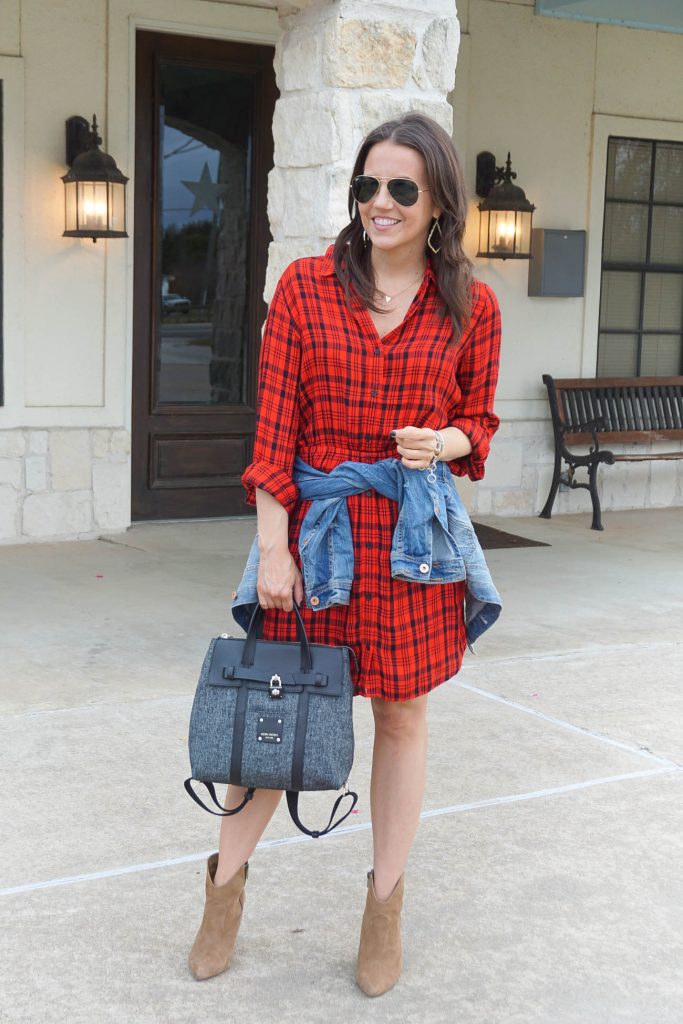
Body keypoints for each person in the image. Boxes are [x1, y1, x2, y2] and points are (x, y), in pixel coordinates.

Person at [188, 111, 502, 996]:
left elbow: (478, 424)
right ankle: (222, 894)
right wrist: (271, 549)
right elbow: (272, 434)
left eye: (402, 188)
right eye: (368, 185)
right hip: (315, 540)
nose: (380, 203)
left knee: (400, 719)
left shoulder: (469, 306)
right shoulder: (303, 288)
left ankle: (384, 910)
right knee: (271, 716)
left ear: (438, 200)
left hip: (410, 546)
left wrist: (442, 443)